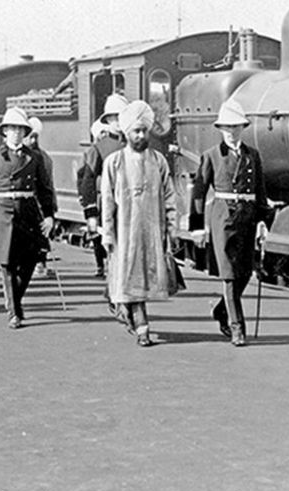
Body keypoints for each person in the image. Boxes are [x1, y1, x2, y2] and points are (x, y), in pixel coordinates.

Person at [189, 99, 269, 347]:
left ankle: (221, 310)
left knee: (245, 273)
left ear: (242, 127)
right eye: (226, 127)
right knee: (230, 275)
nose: (231, 131)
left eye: (235, 126)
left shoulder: (253, 155)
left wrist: (263, 221)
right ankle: (237, 328)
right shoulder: (211, 156)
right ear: (220, 128)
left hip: (247, 218)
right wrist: (197, 227)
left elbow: (260, 191)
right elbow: (199, 193)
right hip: (223, 219)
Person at [100, 100, 178, 347]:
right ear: (126, 133)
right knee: (128, 278)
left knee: (137, 281)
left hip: (151, 231)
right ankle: (142, 327)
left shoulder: (158, 161)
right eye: (136, 131)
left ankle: (125, 310)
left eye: (144, 131)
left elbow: (169, 197)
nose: (141, 135)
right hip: (124, 233)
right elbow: (107, 202)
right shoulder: (114, 162)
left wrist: (172, 229)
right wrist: (107, 234)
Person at [0, 107, 56, 329]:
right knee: (8, 263)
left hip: (28, 212)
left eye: (21, 129)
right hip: (4, 212)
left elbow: (45, 188)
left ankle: (14, 301)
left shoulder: (34, 157)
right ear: (5, 131)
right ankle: (13, 311)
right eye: (12, 129)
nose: (17, 133)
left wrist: (49, 215)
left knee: (30, 260)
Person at [78, 93, 127, 279]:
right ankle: (103, 265)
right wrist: (90, 207)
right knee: (103, 235)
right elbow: (88, 178)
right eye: (114, 118)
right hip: (106, 200)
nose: (118, 122)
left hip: (130, 200)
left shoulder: (135, 144)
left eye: (121, 116)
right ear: (108, 121)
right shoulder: (98, 148)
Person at [27, 117, 57, 278]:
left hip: (39, 200)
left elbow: (48, 183)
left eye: (35, 137)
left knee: (42, 234)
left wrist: (51, 203)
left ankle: (40, 264)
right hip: (29, 200)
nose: (33, 141)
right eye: (30, 137)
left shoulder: (42, 157)